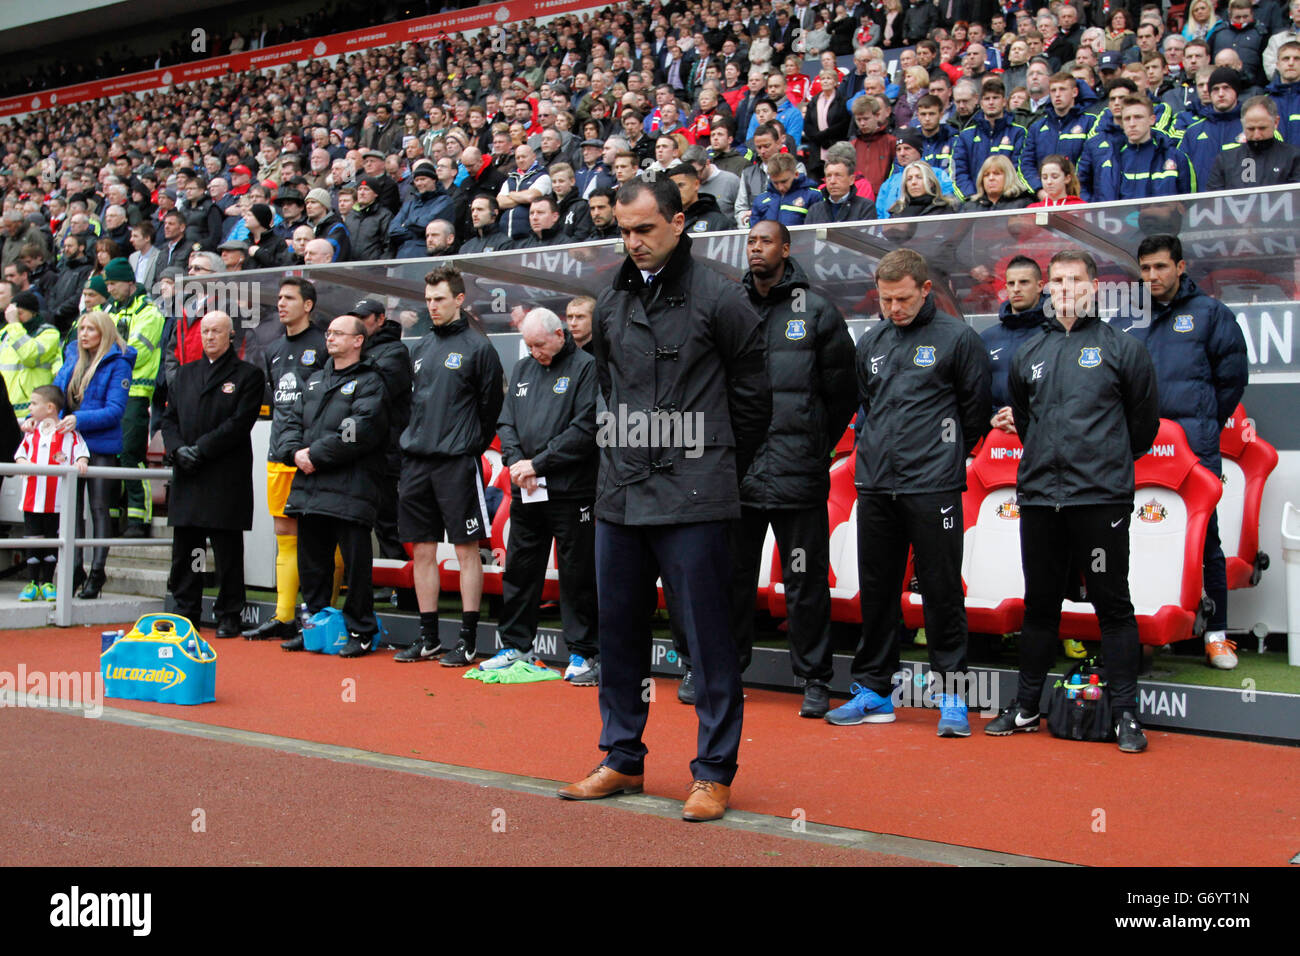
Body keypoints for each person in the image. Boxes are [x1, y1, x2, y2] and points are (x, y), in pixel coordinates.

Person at [557, 177, 770, 823]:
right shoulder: (612, 296)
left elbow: (755, 397)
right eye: (623, 230)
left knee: (707, 644)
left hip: (695, 493)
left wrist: (708, 455)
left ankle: (712, 773)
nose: (634, 242)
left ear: (678, 223)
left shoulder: (720, 296)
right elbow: (609, 392)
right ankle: (621, 757)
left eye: (645, 229)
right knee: (617, 636)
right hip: (620, 491)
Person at [994, 250, 1160, 753]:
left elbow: (1143, 427)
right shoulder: (1029, 352)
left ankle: (1126, 714)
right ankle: (1026, 707)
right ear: (1049, 288)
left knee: (1113, 605)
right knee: (1040, 605)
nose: (1067, 288)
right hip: (1042, 498)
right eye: (1059, 280)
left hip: (1100, 499)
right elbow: (1025, 421)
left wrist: (1100, 463)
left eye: (1076, 280)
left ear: (1094, 287)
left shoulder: (1122, 348)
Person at [826, 249, 991, 736]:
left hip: (934, 484)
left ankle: (953, 696)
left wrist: (939, 454)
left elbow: (974, 413)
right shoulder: (871, 340)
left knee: (941, 589)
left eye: (902, 298)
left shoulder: (958, 339)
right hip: (875, 482)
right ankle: (875, 692)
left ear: (925, 290)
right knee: (876, 591)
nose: (893, 308)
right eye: (885, 298)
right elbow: (867, 407)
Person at [737, 221, 856, 716]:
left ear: (786, 249)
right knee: (730, 580)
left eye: (765, 241)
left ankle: (813, 679)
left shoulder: (818, 311)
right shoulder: (731, 307)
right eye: (749, 242)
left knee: (804, 583)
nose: (756, 249)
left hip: (798, 474)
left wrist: (812, 445)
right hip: (739, 475)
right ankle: (720, 670)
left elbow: (843, 393)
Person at [1131, 234, 1248, 668]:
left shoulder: (1211, 314)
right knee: (1139, 534)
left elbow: (1232, 379)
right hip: (1140, 448)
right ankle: (1146, 627)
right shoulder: (1132, 317)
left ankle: (1216, 634)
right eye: (1145, 269)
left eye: (1160, 267)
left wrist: (1201, 423)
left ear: (1180, 267)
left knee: (1204, 539)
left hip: (1194, 447)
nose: (1152, 276)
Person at [394, 266, 504, 665]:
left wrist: (468, 445)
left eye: (439, 299)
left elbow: (490, 407)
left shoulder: (480, 348)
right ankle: (429, 638)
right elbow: (414, 405)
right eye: (427, 300)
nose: (432, 307)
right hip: (417, 462)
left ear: (459, 299)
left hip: (457, 463)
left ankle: (468, 639)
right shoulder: (419, 347)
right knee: (421, 551)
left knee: (466, 550)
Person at [491, 308, 600, 683]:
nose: (534, 351)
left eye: (539, 344)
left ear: (559, 333)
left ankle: (584, 653)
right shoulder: (523, 370)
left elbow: (585, 429)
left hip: (572, 491)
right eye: (528, 345)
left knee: (577, 573)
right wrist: (517, 462)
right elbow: (506, 422)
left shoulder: (586, 366)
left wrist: (539, 463)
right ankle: (516, 646)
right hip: (527, 490)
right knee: (520, 569)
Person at [273, 314, 388, 657]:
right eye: (329, 333)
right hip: (310, 487)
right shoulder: (314, 380)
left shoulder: (370, 381)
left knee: (355, 566)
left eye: (339, 333)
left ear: (358, 341)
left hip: (351, 488)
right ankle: (316, 629)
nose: (330, 337)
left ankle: (362, 631)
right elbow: (291, 421)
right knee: (313, 566)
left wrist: (315, 454)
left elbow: (360, 430)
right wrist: (295, 452)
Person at [161, 311, 264, 637]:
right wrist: (178, 450)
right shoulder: (186, 374)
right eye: (205, 331)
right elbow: (169, 419)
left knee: (227, 551)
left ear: (230, 335)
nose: (209, 337)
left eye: (216, 331)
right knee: (189, 550)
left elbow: (238, 424)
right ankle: (186, 610)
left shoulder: (248, 375)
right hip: (188, 474)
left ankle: (229, 613)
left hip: (224, 475)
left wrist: (201, 449)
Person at [242, 278, 329, 642]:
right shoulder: (273, 348)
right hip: (279, 452)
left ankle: (322, 617)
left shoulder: (324, 343)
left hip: (313, 456)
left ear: (307, 305)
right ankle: (283, 616)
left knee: (322, 536)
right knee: (284, 533)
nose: (281, 304)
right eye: (278, 298)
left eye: (289, 298)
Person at [50, 310, 134, 599]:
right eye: (81, 328)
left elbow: (115, 410)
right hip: (70, 445)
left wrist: (79, 420)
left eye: (91, 329)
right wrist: (50, 417)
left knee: (100, 508)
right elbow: (57, 396)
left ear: (104, 332)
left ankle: (97, 572)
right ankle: (74, 569)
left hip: (100, 445)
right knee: (71, 512)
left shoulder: (119, 362)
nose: (83, 333)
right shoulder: (72, 356)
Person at [102, 256, 165, 537]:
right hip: (108, 393)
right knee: (109, 456)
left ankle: (139, 519)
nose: (110, 289)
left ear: (130, 282)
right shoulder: (108, 309)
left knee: (130, 454)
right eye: (107, 284)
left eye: (113, 283)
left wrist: (105, 355)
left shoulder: (150, 312)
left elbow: (136, 351)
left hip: (136, 392)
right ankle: (111, 518)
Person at [351, 298, 412, 562]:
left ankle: (399, 580)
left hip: (387, 447)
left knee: (387, 517)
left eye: (365, 318)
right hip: (359, 447)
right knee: (368, 517)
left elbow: (376, 392)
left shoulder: (395, 351)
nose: (359, 323)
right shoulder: (357, 349)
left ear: (379, 319)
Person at [14, 385, 89, 601]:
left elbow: (82, 453)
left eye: (33, 403)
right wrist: (24, 463)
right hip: (31, 500)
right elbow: (20, 455)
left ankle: (47, 582)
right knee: (32, 540)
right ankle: (31, 583)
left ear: (49, 408)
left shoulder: (69, 434)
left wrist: (82, 461)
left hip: (56, 501)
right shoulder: (32, 433)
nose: (29, 407)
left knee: (52, 541)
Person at [1092, 95, 1196, 201]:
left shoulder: (1176, 157)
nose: (1132, 124)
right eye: (1127, 118)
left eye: (1138, 117)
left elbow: (1189, 204)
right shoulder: (1109, 161)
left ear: (1152, 120)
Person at [952, 77, 1029, 199]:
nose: (991, 102)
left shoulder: (1018, 132)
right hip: (975, 202)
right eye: (987, 99)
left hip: (1009, 201)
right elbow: (959, 172)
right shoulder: (965, 136)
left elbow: (1020, 168)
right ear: (981, 103)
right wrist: (973, 197)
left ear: (1004, 101)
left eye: (995, 98)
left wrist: (1004, 196)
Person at [1207, 95, 1300, 187]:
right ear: (1242, 125)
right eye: (1251, 129)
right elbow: (1213, 198)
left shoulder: (1294, 158)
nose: (1257, 135)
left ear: (1276, 122)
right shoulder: (1225, 160)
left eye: (1262, 128)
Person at [1, 291, 60, 417]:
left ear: (33, 312)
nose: (16, 317)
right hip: (7, 409)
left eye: (20, 313)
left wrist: (14, 324)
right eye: (13, 314)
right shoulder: (6, 333)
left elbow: (29, 356)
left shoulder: (49, 333)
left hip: (33, 410)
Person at [807, 152, 877, 224]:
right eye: (828, 176)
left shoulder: (865, 207)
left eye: (838, 175)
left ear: (851, 180)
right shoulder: (814, 210)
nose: (832, 181)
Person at [668, 163, 734, 233]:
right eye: (673, 187)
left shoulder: (717, 221)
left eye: (681, 185)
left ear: (696, 184)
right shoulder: (666, 219)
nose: (677, 191)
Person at [962, 155, 1037, 210]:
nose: (991, 178)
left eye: (997, 173)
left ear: (1008, 176)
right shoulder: (970, 206)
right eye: (986, 175)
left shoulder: (1023, 204)